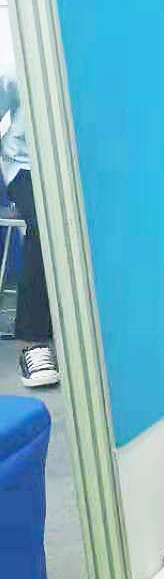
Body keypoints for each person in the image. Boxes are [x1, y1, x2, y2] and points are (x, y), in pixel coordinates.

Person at [0, 39, 57, 387]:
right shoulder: (17, 64)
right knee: (48, 223)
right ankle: (34, 342)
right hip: (28, 166)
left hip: (83, 168)